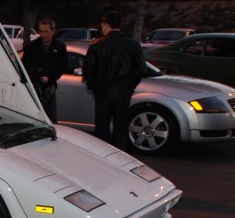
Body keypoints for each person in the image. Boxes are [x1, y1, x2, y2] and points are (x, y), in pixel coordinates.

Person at [82, 11, 146, 149]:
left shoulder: (97, 45)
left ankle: (103, 160)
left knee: (102, 131)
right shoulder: (133, 45)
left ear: (105, 24)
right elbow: (141, 70)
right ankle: (120, 159)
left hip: (103, 93)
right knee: (120, 131)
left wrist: (95, 87)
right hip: (123, 93)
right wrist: (129, 86)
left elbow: (88, 71)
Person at [20, 19, 67, 122]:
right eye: (41, 31)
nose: (43, 34)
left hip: (50, 87)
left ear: (53, 31)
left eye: (46, 31)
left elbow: (62, 66)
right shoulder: (31, 46)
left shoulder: (60, 47)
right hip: (34, 87)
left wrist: (50, 77)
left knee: (51, 117)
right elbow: (24, 65)